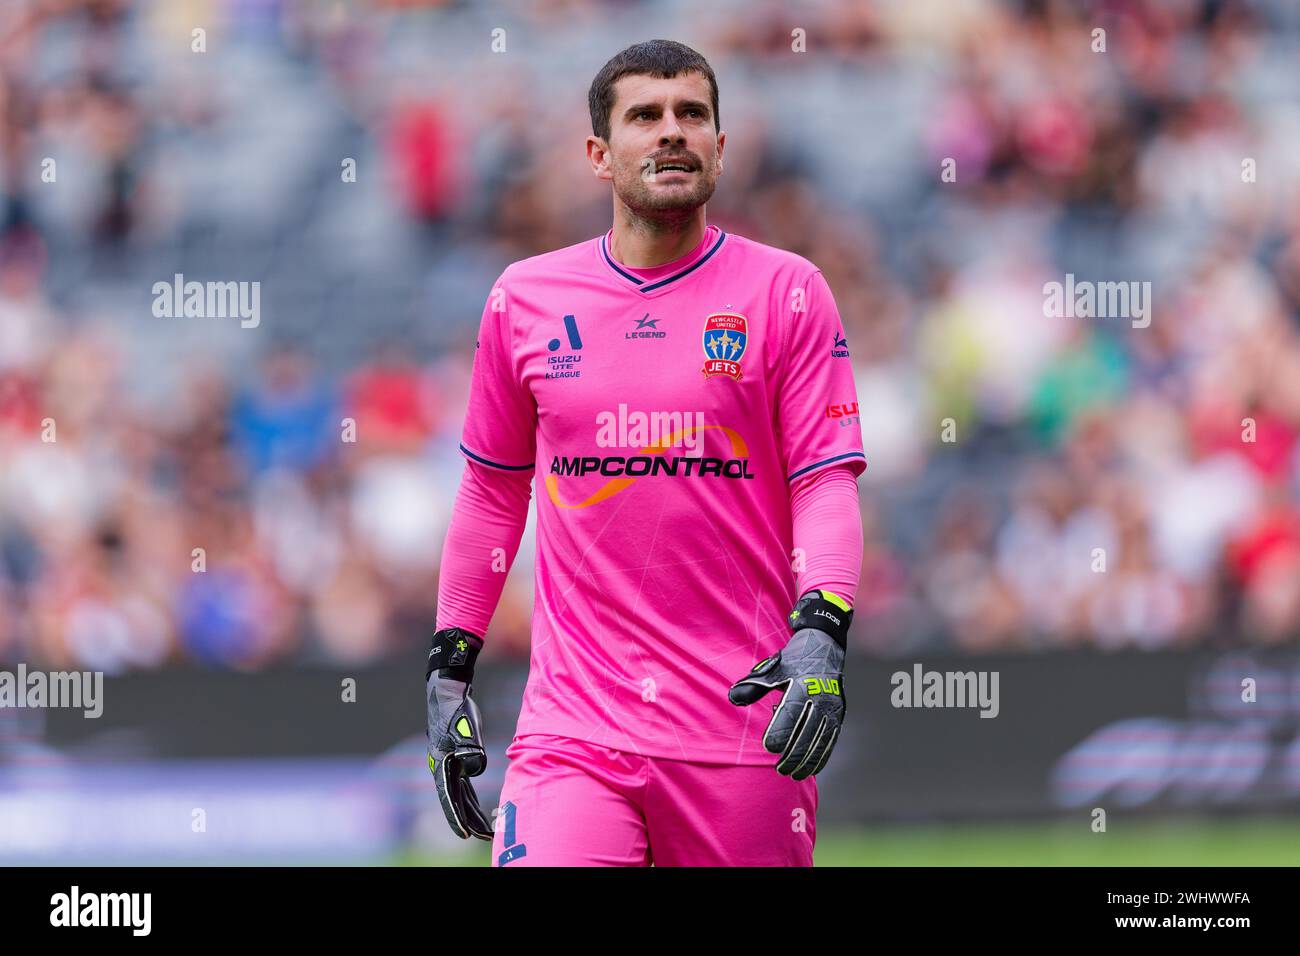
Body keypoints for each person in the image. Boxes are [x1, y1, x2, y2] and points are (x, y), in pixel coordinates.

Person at [427, 39, 865, 866]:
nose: (672, 133)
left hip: (742, 727)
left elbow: (825, 481)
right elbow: (490, 495)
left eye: (691, 115)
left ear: (720, 148)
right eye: (646, 117)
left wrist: (822, 629)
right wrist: (450, 667)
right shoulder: (523, 299)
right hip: (574, 731)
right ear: (600, 153)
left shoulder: (788, 292)